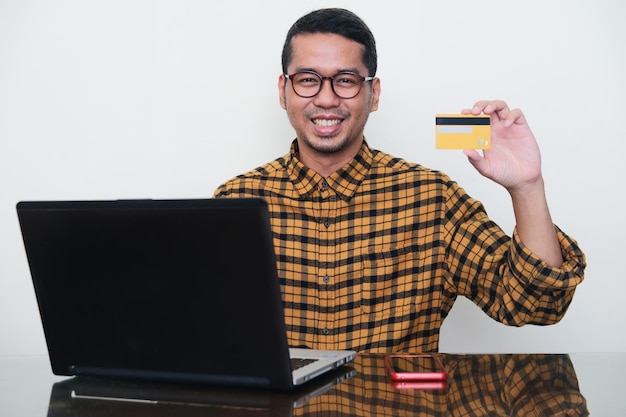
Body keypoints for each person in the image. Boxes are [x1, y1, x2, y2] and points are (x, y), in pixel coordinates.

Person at [213, 8, 586, 352]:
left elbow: (535, 304)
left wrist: (526, 186)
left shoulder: (432, 198)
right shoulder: (235, 202)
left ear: (373, 94)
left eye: (346, 80)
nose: (326, 99)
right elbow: (198, 328)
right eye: (308, 80)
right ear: (284, 91)